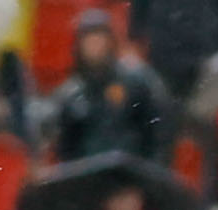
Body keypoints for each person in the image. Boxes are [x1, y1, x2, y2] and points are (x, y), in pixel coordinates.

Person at [43, 9, 175, 167]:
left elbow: (158, 134)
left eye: (99, 38)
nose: (94, 46)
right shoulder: (71, 95)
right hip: (88, 178)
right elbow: (64, 150)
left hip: (132, 173)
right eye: (89, 40)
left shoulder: (137, 82)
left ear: (110, 41)